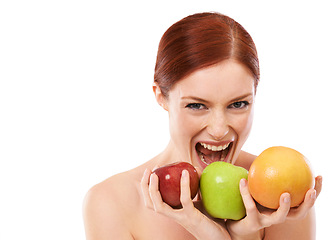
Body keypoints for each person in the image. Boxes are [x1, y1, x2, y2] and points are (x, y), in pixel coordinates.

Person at [83, 12, 322, 239]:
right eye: (197, 106)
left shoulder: (281, 193)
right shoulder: (112, 203)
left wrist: (242, 235)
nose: (219, 130)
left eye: (238, 104)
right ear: (161, 97)